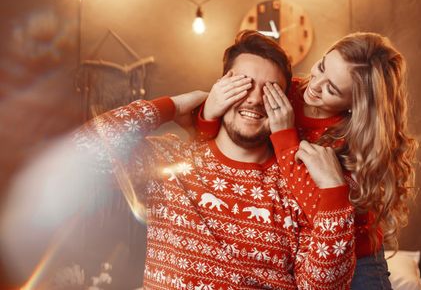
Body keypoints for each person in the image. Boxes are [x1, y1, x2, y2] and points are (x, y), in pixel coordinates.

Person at [73, 30, 356, 289]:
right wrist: (173, 106)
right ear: (221, 87)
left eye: (270, 92)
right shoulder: (168, 160)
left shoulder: (297, 188)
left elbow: (324, 288)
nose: (255, 100)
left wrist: (335, 196)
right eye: (242, 84)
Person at [196, 32, 418, 289]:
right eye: (321, 67)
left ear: (356, 104)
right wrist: (207, 115)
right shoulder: (288, 92)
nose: (314, 85)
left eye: (331, 89)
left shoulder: (354, 141)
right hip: (305, 252)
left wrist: (285, 137)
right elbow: (225, 130)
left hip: (358, 257)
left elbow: (322, 213)